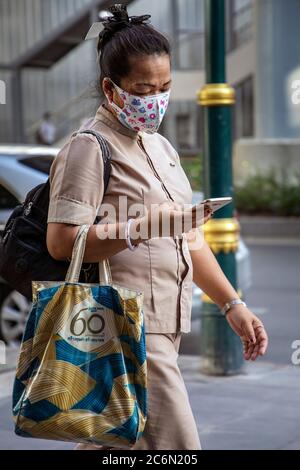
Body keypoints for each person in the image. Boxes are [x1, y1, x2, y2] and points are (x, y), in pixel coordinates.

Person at [46, 4, 268, 451]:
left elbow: (189, 239)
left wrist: (232, 305)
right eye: (144, 88)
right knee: (178, 448)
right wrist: (139, 228)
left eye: (164, 87)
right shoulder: (89, 147)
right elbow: (62, 241)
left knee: (115, 445)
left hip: (166, 325)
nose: (156, 99)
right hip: (124, 326)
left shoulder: (160, 146)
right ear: (111, 88)